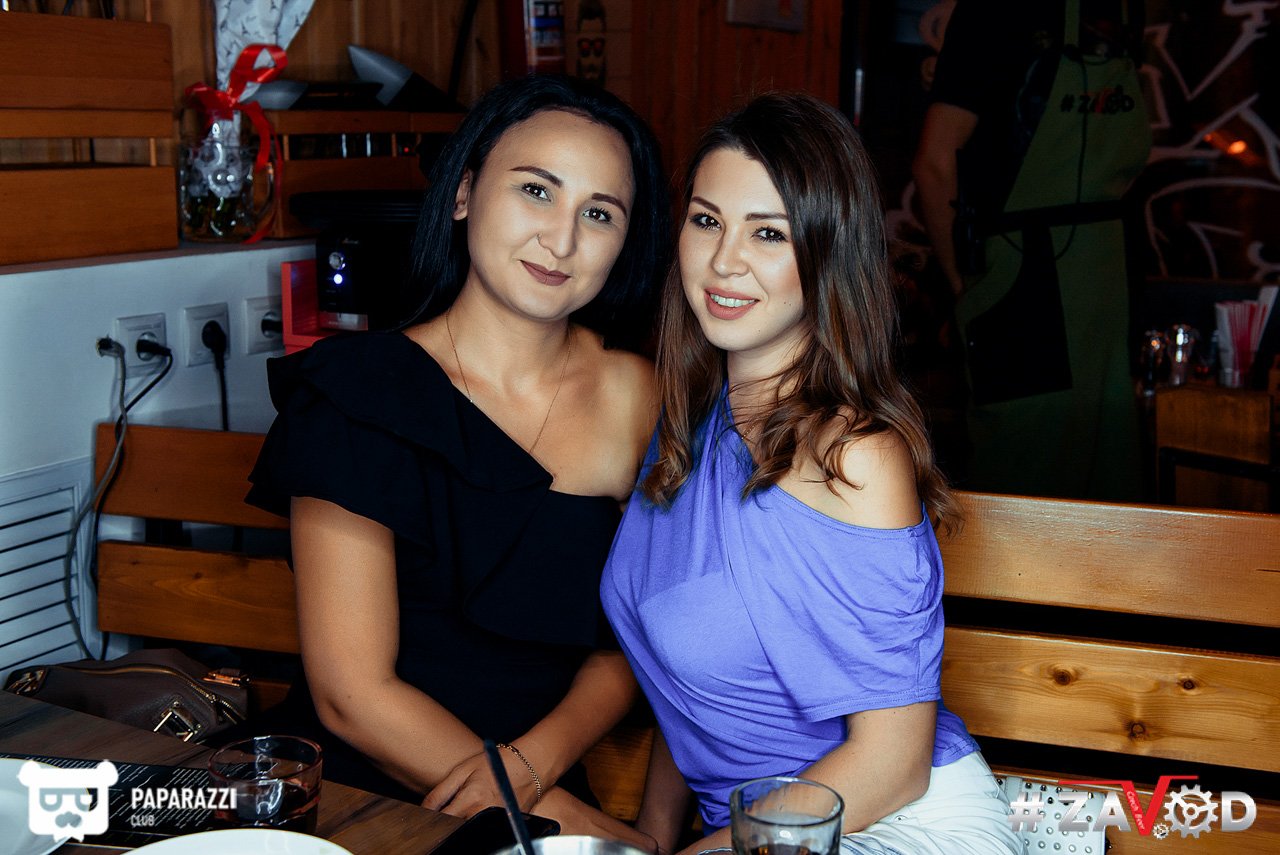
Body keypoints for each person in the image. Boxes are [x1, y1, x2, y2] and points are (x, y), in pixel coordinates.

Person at [245, 74, 668, 844]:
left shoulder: (639, 398)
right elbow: (351, 694)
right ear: (466, 192)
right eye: (536, 191)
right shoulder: (358, 394)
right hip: (363, 792)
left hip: (539, 781)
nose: (562, 240)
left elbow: (642, 631)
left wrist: (538, 769)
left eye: (598, 213)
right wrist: (549, 810)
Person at [600, 93, 1020, 855]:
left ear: (828, 253)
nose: (724, 260)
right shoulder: (689, 428)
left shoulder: (853, 454)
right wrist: (651, 836)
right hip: (760, 835)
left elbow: (892, 764)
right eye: (707, 220)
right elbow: (689, 684)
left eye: (769, 232)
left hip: (893, 821)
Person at [912, 0, 1150, 500]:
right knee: (1024, 491)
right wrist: (962, 284)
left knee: (1110, 491)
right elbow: (934, 162)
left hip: (1106, 277)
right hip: (1021, 285)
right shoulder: (995, 11)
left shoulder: (1123, 10)